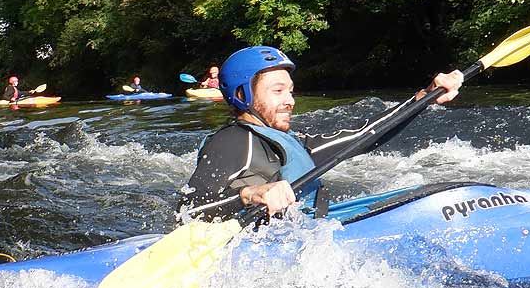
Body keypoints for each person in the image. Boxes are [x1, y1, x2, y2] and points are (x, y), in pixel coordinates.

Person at [178, 46, 464, 222]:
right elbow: (189, 210)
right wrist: (250, 193)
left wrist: (424, 97)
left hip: (314, 227)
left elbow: (363, 136)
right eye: (277, 91)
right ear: (242, 94)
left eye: (290, 91)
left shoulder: (287, 142)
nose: (290, 100)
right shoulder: (233, 141)